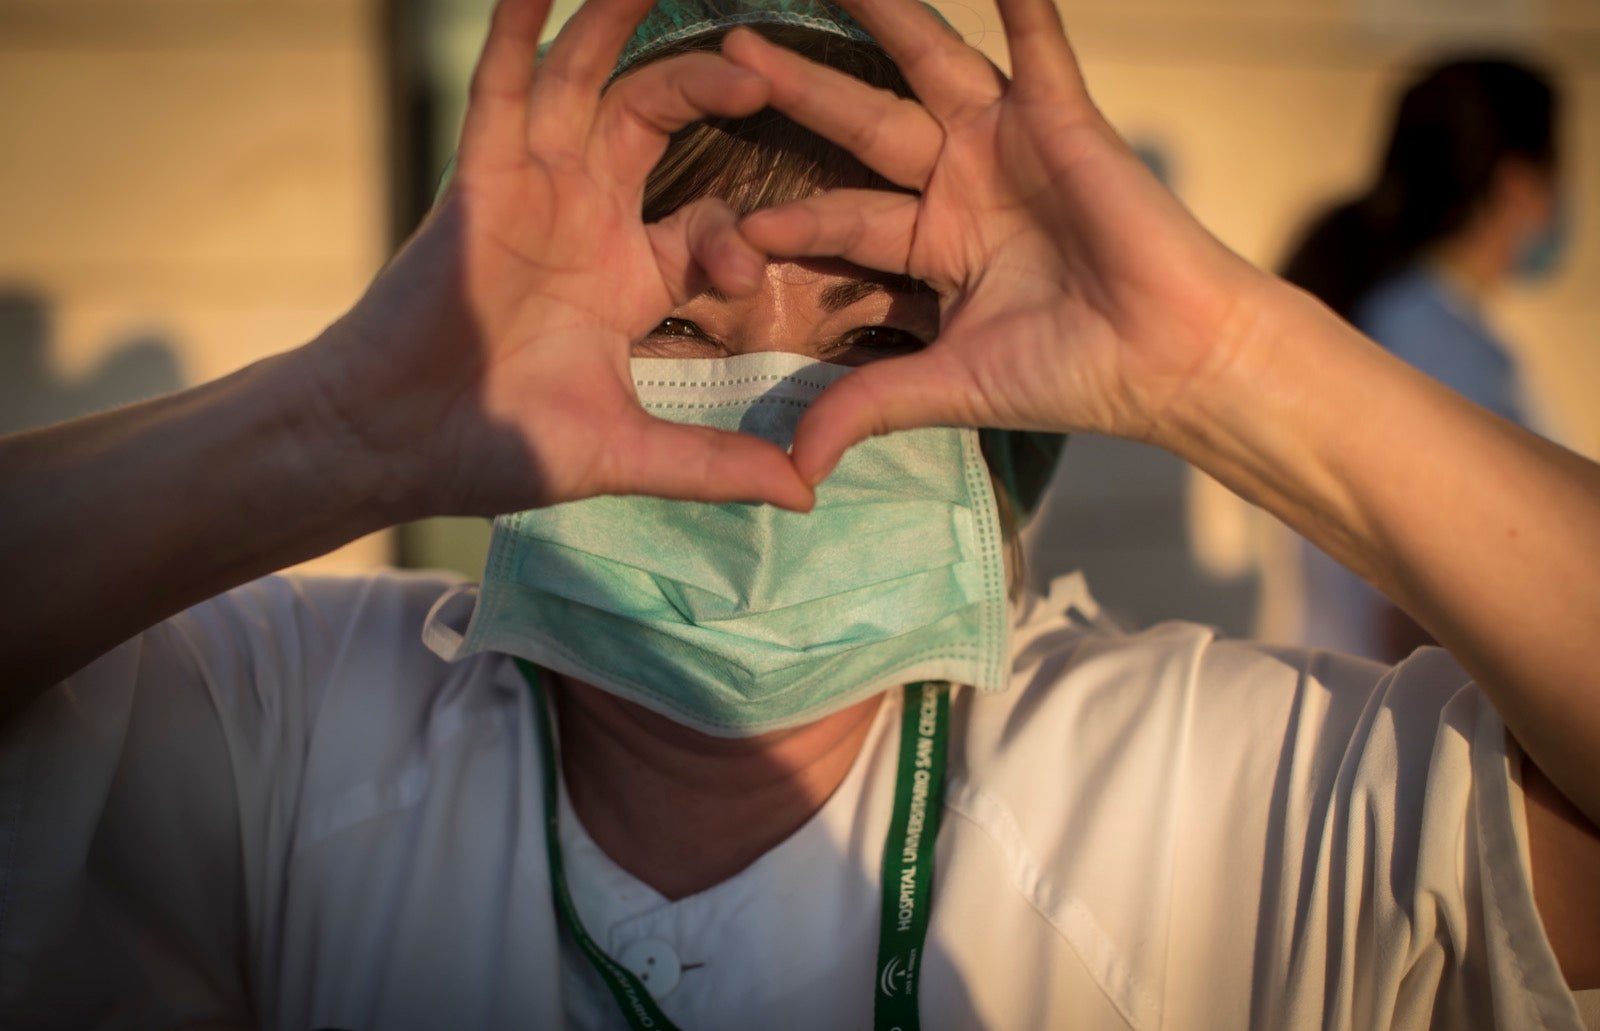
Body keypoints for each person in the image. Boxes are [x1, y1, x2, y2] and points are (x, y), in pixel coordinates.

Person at [1, 0, 1597, 1027]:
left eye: (879, 350)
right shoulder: (285, 733)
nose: (780, 422)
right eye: (681, 335)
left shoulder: (1212, 792)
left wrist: (1222, 363)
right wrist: (332, 427)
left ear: (994, 442)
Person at [1281, 56, 1569, 662]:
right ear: (1517, 185)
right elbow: (1416, 614)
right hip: (1416, 739)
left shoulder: (1397, 320)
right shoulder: (1439, 347)